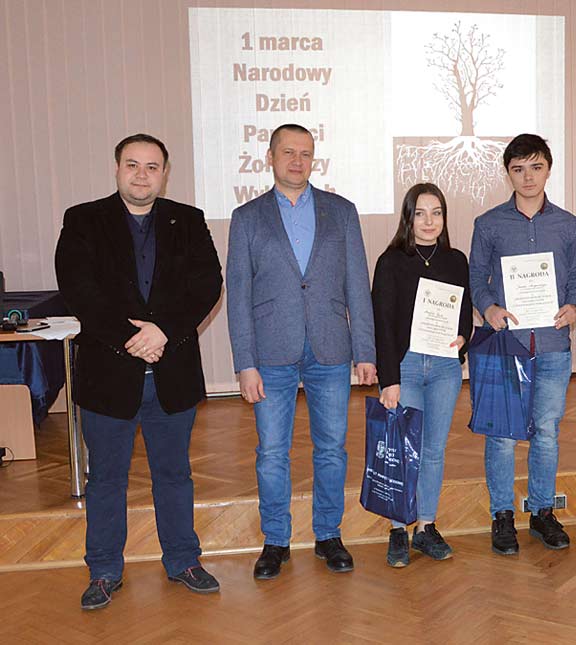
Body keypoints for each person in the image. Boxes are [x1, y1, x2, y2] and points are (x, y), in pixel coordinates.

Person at [55, 133, 223, 610]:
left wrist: (163, 332)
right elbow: (79, 290)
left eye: (152, 166)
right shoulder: (83, 220)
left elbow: (207, 284)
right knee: (106, 480)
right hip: (109, 374)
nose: (142, 175)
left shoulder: (188, 220)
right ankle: (104, 570)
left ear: (164, 174)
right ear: (117, 168)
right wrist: (134, 340)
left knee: (174, 475)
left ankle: (183, 560)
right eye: (132, 164)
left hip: (172, 374)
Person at [226, 123, 376, 576]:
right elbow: (238, 295)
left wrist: (365, 351)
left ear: (314, 159)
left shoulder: (342, 212)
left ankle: (329, 534)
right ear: (270, 157)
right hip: (270, 353)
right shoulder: (247, 217)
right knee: (272, 452)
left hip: (331, 349)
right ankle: (276, 541)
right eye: (288, 152)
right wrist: (245, 363)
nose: (297, 161)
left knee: (331, 449)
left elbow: (357, 285)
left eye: (305, 153)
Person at [469, 133, 576, 555]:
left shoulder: (568, 225)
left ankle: (541, 513)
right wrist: (488, 307)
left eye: (536, 167)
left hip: (553, 344)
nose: (528, 177)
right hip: (508, 346)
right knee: (502, 435)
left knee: (547, 433)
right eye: (518, 169)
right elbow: (476, 276)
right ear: (509, 174)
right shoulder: (488, 224)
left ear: (548, 169)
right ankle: (502, 516)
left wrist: (574, 306)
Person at [371, 183, 473, 567]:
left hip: (445, 368)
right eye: (420, 213)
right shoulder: (391, 261)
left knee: (432, 451)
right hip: (407, 367)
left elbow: (465, 312)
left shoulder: (456, 260)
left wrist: (463, 338)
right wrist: (389, 379)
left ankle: (425, 526)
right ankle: (398, 528)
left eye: (437, 212)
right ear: (408, 218)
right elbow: (383, 323)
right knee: (403, 450)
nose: (429, 221)